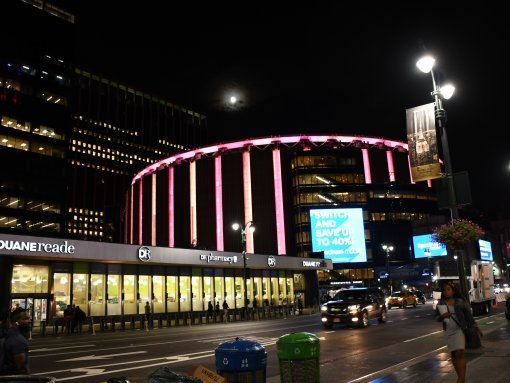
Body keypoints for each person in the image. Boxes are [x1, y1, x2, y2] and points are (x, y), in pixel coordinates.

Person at [436, 281, 483, 383]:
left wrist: (477, 328)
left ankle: (461, 379)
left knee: (460, 352)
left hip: (459, 329)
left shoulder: (460, 302)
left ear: (453, 291)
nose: (445, 292)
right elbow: (437, 318)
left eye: (448, 289)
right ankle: (460, 377)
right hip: (448, 330)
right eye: (444, 290)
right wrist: (442, 316)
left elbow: (469, 317)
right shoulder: (441, 303)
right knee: (453, 354)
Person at [2, 309, 31, 375]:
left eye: (29, 318)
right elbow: (21, 367)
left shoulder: (8, 334)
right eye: (25, 319)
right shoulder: (18, 340)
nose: (29, 321)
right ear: (16, 322)